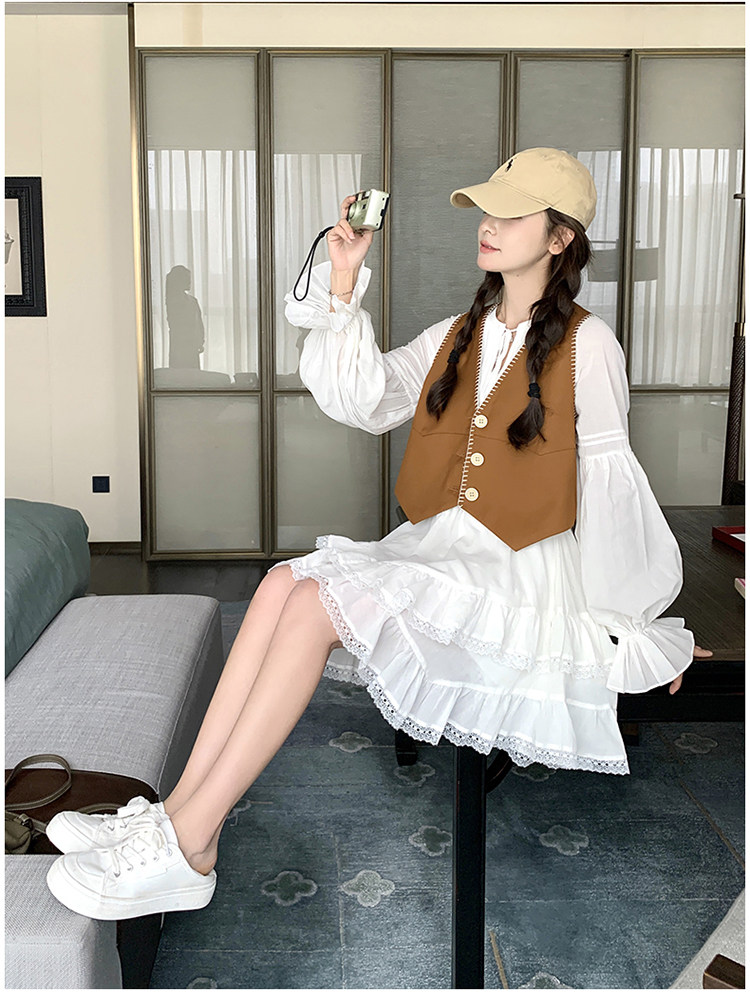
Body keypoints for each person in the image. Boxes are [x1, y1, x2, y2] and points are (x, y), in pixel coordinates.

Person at [45, 147, 712, 922]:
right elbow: (364, 398)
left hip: (523, 565)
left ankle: (190, 843)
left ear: (560, 238)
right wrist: (343, 278)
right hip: (448, 547)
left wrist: (633, 623)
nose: (488, 225)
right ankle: (177, 820)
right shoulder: (458, 333)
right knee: (282, 583)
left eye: (511, 214)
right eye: (486, 210)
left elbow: (608, 488)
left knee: (315, 605)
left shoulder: (589, 346)